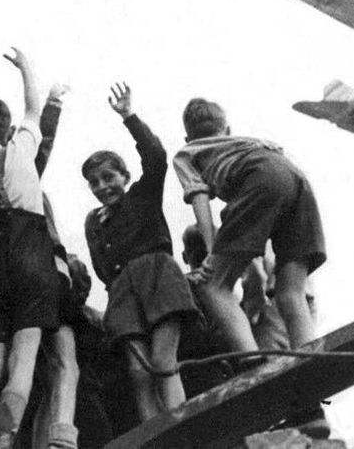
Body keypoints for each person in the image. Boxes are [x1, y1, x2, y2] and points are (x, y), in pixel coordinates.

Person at [172, 97, 329, 436]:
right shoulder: (246, 141)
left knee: (213, 287)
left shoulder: (188, 153)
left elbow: (200, 198)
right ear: (225, 128)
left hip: (259, 179)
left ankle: (255, 372)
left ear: (188, 137)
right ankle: (311, 399)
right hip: (295, 179)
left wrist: (214, 255)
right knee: (291, 294)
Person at [0, 48, 65, 449]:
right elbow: (33, 108)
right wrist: (25, 67)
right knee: (23, 359)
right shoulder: (21, 146)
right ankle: (4, 442)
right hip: (31, 252)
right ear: (5, 129)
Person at [82, 83, 198, 421]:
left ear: (124, 176)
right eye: (95, 182)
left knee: (163, 362)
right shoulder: (96, 222)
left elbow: (155, 156)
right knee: (138, 372)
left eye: (108, 177)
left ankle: (181, 427)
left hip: (157, 275)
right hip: (121, 289)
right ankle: (155, 437)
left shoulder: (143, 194)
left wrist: (129, 116)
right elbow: (101, 267)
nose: (103, 186)